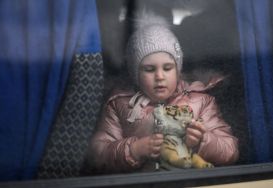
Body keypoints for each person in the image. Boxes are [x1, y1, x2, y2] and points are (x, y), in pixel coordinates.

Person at [84, 11, 239, 174]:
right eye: (149, 69)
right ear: (135, 74)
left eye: (167, 68)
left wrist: (202, 141)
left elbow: (230, 151)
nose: (159, 76)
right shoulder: (120, 104)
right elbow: (97, 156)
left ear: (178, 70)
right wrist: (135, 149)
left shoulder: (201, 102)